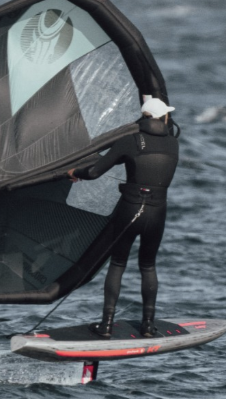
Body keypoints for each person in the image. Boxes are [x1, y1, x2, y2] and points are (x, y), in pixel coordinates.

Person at [66, 95, 178, 338]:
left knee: (118, 264)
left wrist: (75, 172)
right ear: (165, 117)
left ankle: (106, 326)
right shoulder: (173, 144)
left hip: (130, 209)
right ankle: (148, 326)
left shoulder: (130, 141)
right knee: (148, 266)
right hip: (157, 213)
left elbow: (95, 171)